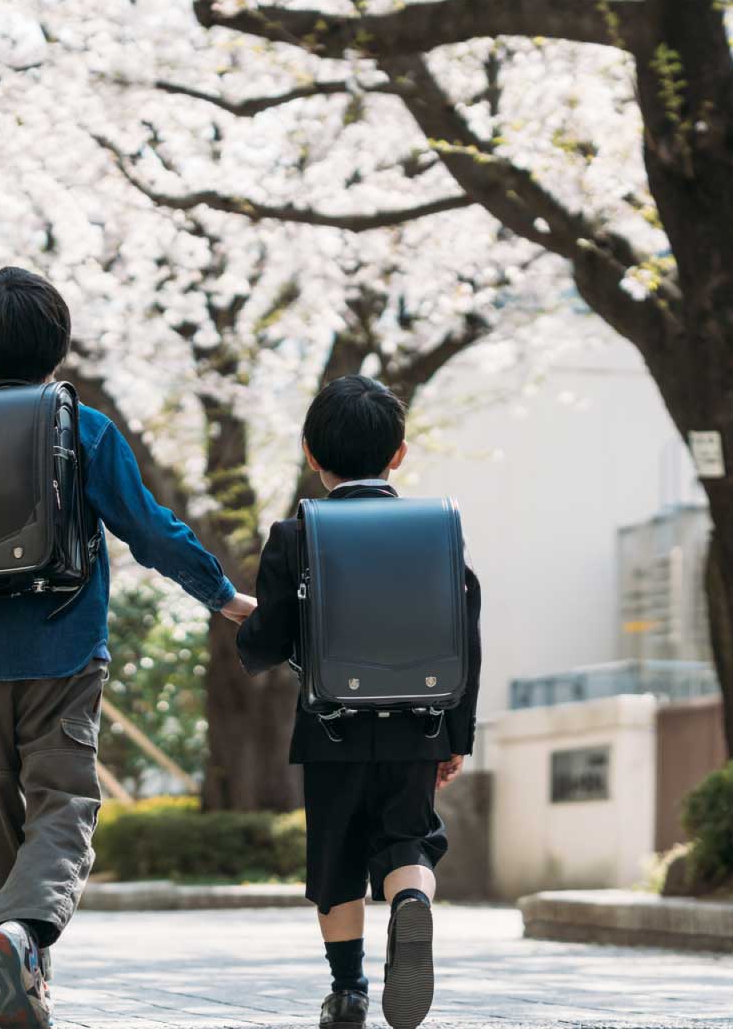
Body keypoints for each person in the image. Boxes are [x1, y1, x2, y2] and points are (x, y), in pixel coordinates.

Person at [0, 266, 256, 1029]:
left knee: (0, 814)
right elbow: (149, 531)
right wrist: (219, 593)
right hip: (66, 647)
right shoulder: (83, 428)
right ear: (59, 345)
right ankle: (22, 937)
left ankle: (21, 960)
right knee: (65, 803)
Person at [234, 374, 481, 1029]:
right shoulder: (437, 528)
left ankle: (348, 991)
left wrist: (245, 625)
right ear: (397, 453)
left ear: (311, 454)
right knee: (409, 839)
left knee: (337, 855)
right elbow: (467, 628)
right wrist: (457, 733)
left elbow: (267, 642)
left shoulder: (296, 535)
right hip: (418, 722)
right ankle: (409, 898)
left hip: (330, 728)